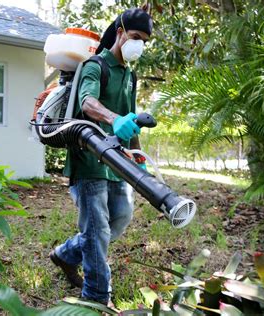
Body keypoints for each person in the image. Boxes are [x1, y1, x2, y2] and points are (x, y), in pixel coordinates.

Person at [49, 8, 153, 305]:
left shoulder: (130, 75)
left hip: (118, 162)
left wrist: (137, 153)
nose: (139, 45)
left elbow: (129, 119)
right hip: (89, 158)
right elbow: (88, 102)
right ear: (119, 33)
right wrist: (112, 118)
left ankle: (65, 254)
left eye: (144, 41)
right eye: (135, 37)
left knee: (119, 218)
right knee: (97, 230)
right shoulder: (96, 65)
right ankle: (96, 296)